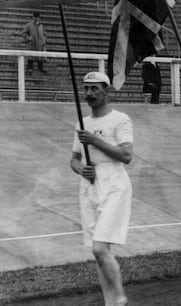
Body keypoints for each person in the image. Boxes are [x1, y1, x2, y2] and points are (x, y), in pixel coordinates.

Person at [70, 72, 133, 306]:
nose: (88, 93)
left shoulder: (120, 119)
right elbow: (74, 159)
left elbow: (126, 155)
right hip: (89, 184)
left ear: (106, 91)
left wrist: (95, 141)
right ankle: (111, 303)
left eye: (94, 89)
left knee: (99, 249)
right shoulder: (82, 123)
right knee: (99, 252)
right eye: (86, 88)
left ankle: (120, 297)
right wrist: (80, 170)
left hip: (114, 182)